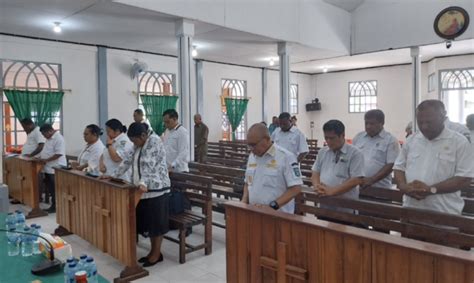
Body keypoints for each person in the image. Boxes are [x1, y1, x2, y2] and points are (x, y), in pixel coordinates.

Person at [393, 100, 474, 215]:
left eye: (429, 122)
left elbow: (464, 178)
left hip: (444, 213)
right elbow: (398, 167)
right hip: (411, 209)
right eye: (420, 122)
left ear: (443, 117)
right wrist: (403, 186)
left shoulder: (458, 142)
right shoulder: (412, 140)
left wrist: (430, 189)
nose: (424, 126)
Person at [110, 123, 171, 267]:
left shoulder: (154, 141)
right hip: (142, 189)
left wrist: (143, 183)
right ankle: (153, 252)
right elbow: (128, 160)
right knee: (149, 223)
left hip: (156, 189)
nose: (133, 144)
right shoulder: (138, 143)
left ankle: (156, 254)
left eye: (134, 141)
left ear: (143, 135)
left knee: (156, 224)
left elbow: (148, 165)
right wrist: (113, 176)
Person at [241, 123, 303, 214]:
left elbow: (296, 188)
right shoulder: (252, 157)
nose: (251, 149)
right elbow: (247, 183)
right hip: (254, 213)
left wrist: (273, 206)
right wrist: (244, 200)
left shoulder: (285, 157)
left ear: (267, 139)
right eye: (249, 145)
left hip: (278, 215)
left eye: (254, 145)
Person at [311, 120, 364, 212]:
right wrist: (317, 187)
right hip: (325, 204)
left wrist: (332, 191)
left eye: (332, 138)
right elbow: (315, 172)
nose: (328, 141)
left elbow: (356, 179)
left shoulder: (355, 153)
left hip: (346, 207)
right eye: (326, 138)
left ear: (342, 135)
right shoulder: (323, 152)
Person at [353, 110, 400, 189]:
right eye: (366, 123)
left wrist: (371, 180)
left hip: (380, 189)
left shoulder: (390, 140)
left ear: (382, 123)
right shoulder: (358, 137)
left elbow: (391, 165)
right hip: (357, 188)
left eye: (372, 123)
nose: (368, 126)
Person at [38, 124, 67, 213]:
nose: (44, 136)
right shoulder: (49, 139)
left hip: (56, 168)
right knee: (51, 188)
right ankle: (53, 205)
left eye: (44, 134)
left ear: (50, 131)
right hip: (47, 167)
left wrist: (46, 160)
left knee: (55, 189)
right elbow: (46, 151)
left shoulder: (59, 139)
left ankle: (56, 207)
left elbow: (59, 154)